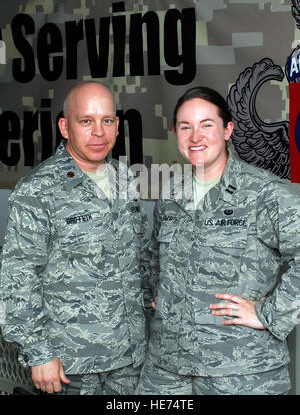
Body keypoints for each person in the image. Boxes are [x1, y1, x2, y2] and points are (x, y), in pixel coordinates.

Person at [136, 86, 300, 395]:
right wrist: (159, 296)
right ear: (175, 133)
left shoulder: (263, 193)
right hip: (168, 369)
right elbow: (153, 260)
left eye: (206, 125)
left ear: (227, 130)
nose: (195, 136)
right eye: (186, 127)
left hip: (241, 373)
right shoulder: (170, 196)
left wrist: (271, 314)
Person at [0, 81, 149, 395]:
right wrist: (38, 353)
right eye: (86, 121)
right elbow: (18, 278)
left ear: (117, 126)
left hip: (130, 359)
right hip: (71, 365)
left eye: (107, 120)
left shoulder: (123, 178)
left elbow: (138, 257)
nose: (98, 131)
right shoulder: (38, 190)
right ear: (65, 127)